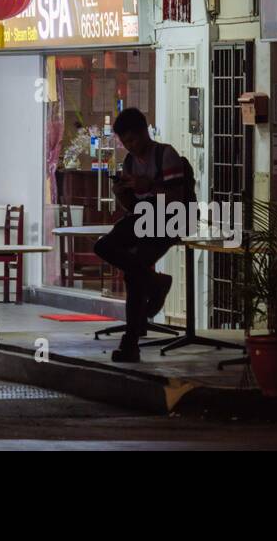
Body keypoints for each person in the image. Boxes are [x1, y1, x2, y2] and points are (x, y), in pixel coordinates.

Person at [93, 107, 190, 363]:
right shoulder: (129, 162)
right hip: (143, 217)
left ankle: (130, 344)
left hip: (169, 220)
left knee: (134, 275)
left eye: (132, 140)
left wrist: (150, 186)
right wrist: (123, 193)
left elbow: (176, 200)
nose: (130, 147)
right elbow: (134, 206)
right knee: (104, 246)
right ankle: (156, 282)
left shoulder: (166, 155)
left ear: (145, 132)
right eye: (125, 142)